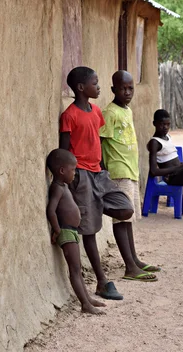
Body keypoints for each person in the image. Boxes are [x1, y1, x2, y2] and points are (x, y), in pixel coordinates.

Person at [59, 66, 134, 300]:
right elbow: (64, 150)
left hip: (99, 173)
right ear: (82, 88)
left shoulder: (96, 112)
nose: (99, 87)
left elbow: (97, 142)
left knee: (125, 208)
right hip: (81, 175)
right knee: (89, 230)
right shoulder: (69, 115)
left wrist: (102, 168)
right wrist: (67, 182)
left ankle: (94, 206)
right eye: (95, 83)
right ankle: (102, 282)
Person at [100, 70, 159, 282]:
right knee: (121, 218)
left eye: (130, 88)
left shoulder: (127, 111)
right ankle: (129, 267)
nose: (127, 92)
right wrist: (101, 171)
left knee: (128, 218)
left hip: (130, 171)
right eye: (123, 88)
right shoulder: (110, 113)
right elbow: (100, 141)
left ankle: (134, 259)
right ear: (113, 89)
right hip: (118, 171)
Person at [46, 148, 106, 315]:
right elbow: (51, 210)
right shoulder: (57, 188)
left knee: (77, 268)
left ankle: (87, 299)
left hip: (71, 230)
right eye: (73, 170)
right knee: (74, 269)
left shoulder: (64, 186)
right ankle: (85, 304)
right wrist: (57, 230)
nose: (74, 173)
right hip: (65, 231)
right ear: (62, 171)